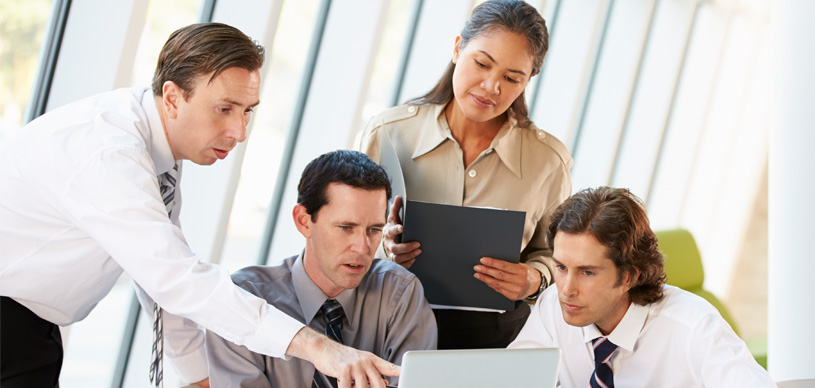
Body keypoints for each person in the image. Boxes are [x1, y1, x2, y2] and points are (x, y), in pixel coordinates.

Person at [0, 23, 398, 388]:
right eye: (224, 109)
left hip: (31, 328)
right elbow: (178, 280)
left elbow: (161, 283)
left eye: (247, 112)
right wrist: (318, 347)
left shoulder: (156, 150)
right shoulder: (109, 155)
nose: (239, 132)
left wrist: (199, 380)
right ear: (173, 97)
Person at [356, 0, 572, 349]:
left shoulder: (548, 161)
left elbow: (557, 255)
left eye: (512, 77)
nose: (491, 86)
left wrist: (535, 278)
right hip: (387, 325)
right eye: (482, 63)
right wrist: (385, 247)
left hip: (493, 339)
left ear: (528, 80)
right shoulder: (389, 134)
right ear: (458, 48)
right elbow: (347, 231)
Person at [205, 150, 437, 387]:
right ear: (304, 221)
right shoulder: (241, 301)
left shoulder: (399, 293)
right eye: (346, 227)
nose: (362, 247)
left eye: (374, 230)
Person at [508, 187, 776, 387]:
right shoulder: (552, 306)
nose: (567, 289)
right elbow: (509, 379)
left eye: (587, 272)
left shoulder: (693, 326)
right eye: (561, 267)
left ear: (629, 276)